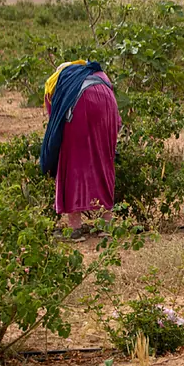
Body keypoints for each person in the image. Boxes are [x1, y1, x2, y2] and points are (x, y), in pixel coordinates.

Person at [41, 61, 120, 240]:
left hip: (77, 110)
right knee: (104, 163)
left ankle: (75, 228)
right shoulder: (99, 75)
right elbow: (117, 120)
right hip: (108, 109)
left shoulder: (55, 82)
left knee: (71, 165)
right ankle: (106, 225)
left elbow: (54, 123)